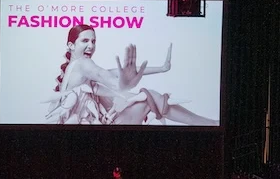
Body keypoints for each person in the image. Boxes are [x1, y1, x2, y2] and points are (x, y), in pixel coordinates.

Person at [45, 25, 216, 126]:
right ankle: (210, 124)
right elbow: (109, 78)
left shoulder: (76, 69)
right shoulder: (83, 64)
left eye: (93, 41)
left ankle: (209, 124)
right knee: (151, 97)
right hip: (98, 131)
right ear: (71, 45)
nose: (91, 45)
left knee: (149, 97)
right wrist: (124, 84)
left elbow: (115, 73)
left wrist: (161, 68)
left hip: (95, 130)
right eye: (85, 41)